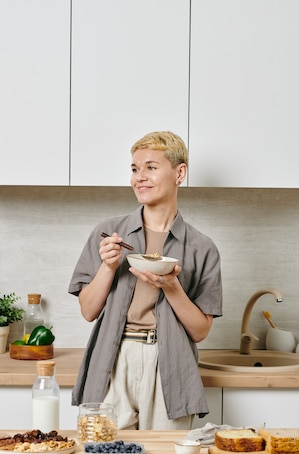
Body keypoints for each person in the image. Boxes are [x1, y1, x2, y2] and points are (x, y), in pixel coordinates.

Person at [68, 131, 222, 430]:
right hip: (113, 358)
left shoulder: (202, 247)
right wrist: (108, 267)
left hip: (169, 361)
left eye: (151, 167)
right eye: (135, 169)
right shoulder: (109, 232)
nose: (140, 177)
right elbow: (88, 311)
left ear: (180, 173)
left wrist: (172, 288)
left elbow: (201, 331)